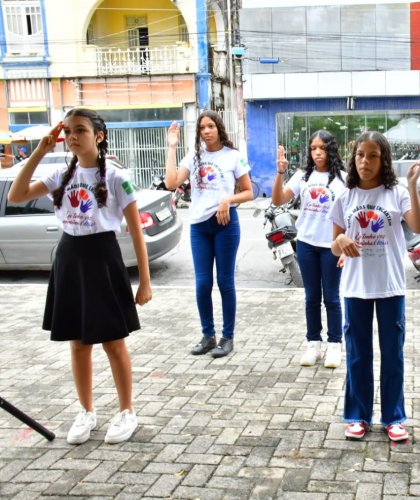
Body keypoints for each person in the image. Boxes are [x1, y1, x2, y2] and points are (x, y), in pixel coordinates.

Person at [8, 108, 152, 445]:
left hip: (102, 258)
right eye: (68, 132)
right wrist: (40, 151)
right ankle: (86, 411)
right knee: (78, 341)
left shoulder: (117, 176)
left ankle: (126, 410)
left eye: (80, 131)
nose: (72, 137)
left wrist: (144, 281)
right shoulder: (60, 174)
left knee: (113, 341)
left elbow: (135, 232)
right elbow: (16, 195)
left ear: (98, 136)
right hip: (69, 258)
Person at [329, 131, 420, 442]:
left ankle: (393, 418)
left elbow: (418, 226)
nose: (365, 161)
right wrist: (341, 240)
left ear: (383, 160)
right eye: (360, 155)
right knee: (358, 354)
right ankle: (358, 416)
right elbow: (334, 245)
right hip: (355, 288)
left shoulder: (395, 193)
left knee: (392, 355)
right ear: (353, 158)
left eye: (372, 156)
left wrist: (411, 186)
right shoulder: (345, 196)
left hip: (390, 287)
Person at [165, 111, 253, 358]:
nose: (206, 131)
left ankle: (227, 338)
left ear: (219, 128)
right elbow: (171, 182)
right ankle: (207, 335)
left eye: (211, 126)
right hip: (199, 227)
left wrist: (228, 200)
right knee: (203, 283)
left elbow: (248, 192)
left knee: (225, 282)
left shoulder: (233, 156)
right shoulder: (194, 156)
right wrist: (172, 147)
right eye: (202, 127)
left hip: (225, 225)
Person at [273, 131, 347, 368]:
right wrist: (280, 173)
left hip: (332, 246)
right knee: (311, 297)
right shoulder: (302, 176)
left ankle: (335, 345)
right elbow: (278, 200)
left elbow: (350, 217)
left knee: (332, 298)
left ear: (330, 150)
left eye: (322, 148)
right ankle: (313, 343)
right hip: (306, 244)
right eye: (313, 148)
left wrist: (345, 247)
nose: (317, 152)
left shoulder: (344, 180)